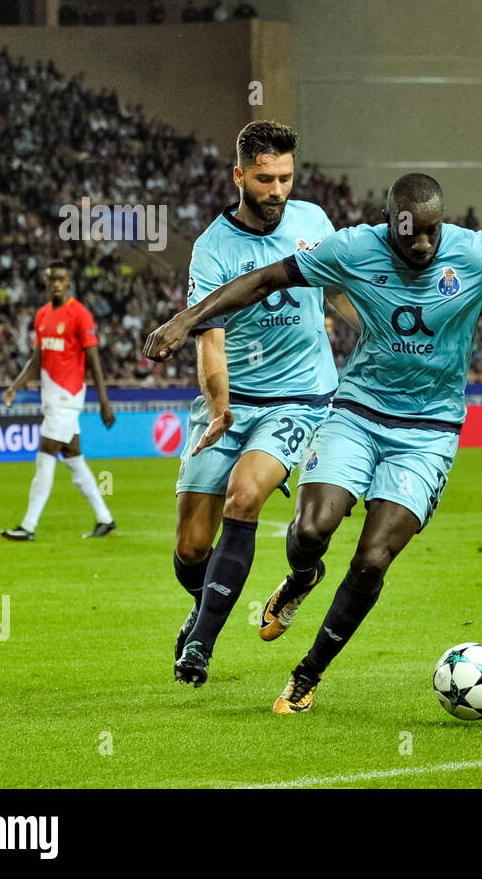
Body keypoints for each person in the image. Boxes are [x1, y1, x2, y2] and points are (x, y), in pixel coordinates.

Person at [144, 173, 482, 710]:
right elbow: (264, 280)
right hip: (356, 412)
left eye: (431, 233)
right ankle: (303, 577)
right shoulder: (354, 247)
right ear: (388, 223)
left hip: (428, 433)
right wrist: (185, 320)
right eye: (409, 235)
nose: (422, 245)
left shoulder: (480, 255)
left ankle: (308, 674)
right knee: (309, 530)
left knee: (373, 558)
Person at [165, 120, 359, 685]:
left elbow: (341, 290)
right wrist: (220, 408)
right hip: (231, 399)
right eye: (265, 178)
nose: (277, 191)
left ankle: (200, 645)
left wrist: (378, 333)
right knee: (191, 546)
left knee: (244, 495)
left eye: (286, 178)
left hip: (299, 397)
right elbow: (212, 342)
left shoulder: (312, 222)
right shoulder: (213, 249)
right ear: (239, 175)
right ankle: (203, 607)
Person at [0, 263, 116, 540]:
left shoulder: (80, 314)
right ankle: (105, 518)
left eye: (61, 279)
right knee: (73, 458)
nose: (56, 284)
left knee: (46, 453)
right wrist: (14, 387)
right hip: (51, 398)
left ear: (69, 282)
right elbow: (37, 359)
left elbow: (94, 360)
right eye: (52, 279)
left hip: (68, 396)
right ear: (45, 280)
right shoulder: (42, 315)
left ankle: (28, 526)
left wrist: (103, 401)